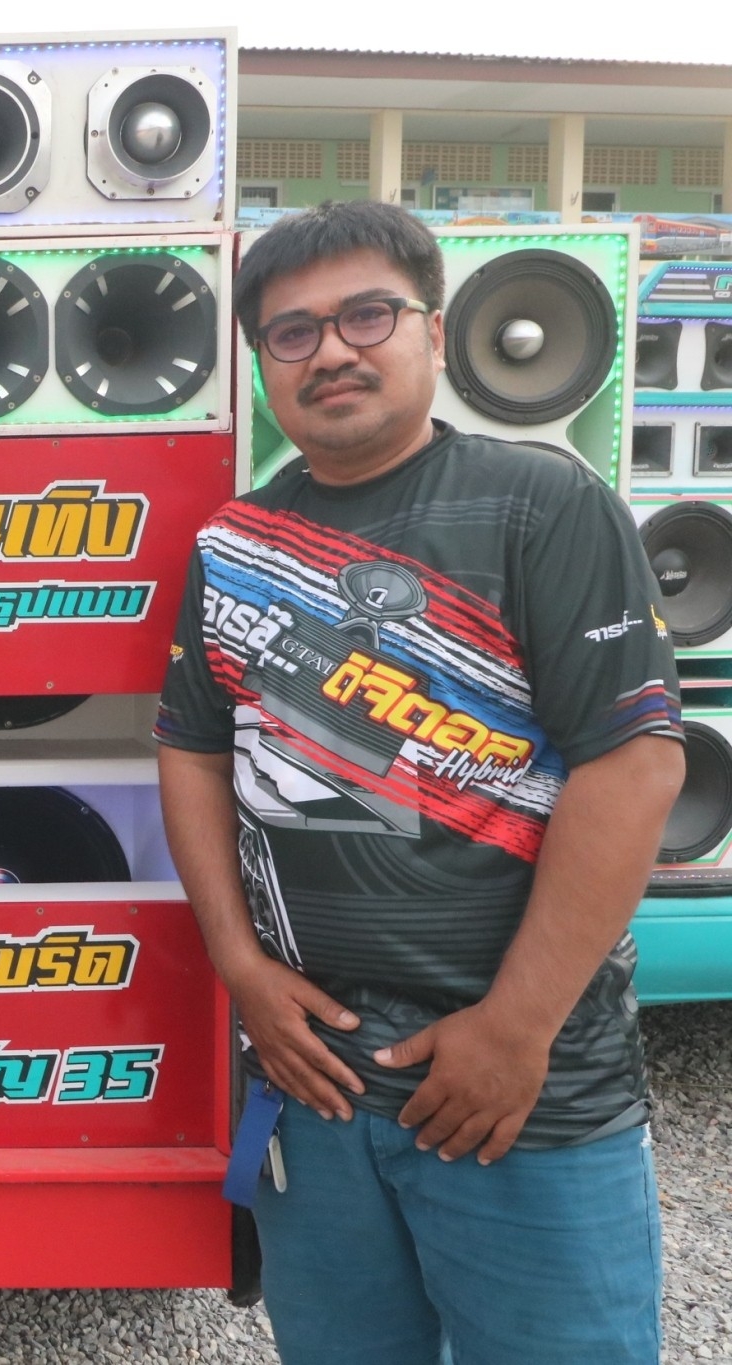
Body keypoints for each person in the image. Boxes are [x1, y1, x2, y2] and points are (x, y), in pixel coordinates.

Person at [154, 200, 682, 1364]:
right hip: (313, 1079)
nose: (329, 351)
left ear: (433, 333)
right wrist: (240, 972)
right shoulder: (233, 545)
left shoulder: (541, 504)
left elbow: (634, 764)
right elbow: (190, 748)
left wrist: (515, 1027)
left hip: (519, 1088)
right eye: (290, 332)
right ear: (260, 364)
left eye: (365, 316)